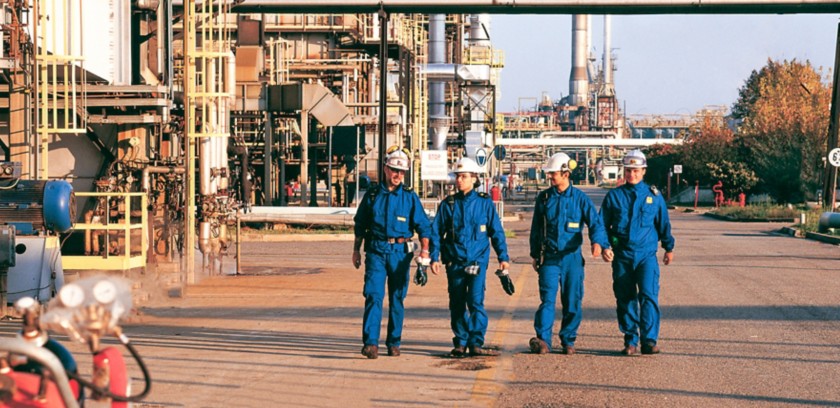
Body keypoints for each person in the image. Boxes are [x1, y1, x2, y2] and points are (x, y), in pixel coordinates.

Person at [352, 146, 432, 359]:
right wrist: (356, 251)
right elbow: (360, 224)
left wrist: (425, 252)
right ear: (386, 169)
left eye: (402, 172)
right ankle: (370, 343)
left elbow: (424, 226)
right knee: (373, 295)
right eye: (394, 170)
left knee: (397, 298)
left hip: (400, 254)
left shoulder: (410, 197)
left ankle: (394, 342)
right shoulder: (372, 196)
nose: (398, 175)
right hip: (376, 251)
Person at [529, 153, 610, 355]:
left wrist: (597, 242)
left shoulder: (580, 199)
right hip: (549, 257)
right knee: (547, 300)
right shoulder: (544, 198)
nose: (550, 177)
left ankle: (568, 339)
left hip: (572, 258)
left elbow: (595, 223)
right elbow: (536, 228)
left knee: (572, 300)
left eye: (553, 173)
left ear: (565, 173)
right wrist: (534, 254)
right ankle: (543, 341)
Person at [430, 157, 511, 357]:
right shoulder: (448, 205)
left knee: (475, 302)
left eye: (464, 177)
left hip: (477, 261)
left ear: (474, 179)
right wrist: (434, 257)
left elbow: (496, 232)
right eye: (457, 177)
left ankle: (476, 341)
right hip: (455, 262)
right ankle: (460, 341)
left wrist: (503, 257)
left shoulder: (484, 204)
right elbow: (435, 233)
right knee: (457, 303)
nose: (459, 181)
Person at [600, 149, 675, 356]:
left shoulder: (654, 196)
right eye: (628, 170)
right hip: (622, 256)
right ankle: (630, 340)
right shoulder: (614, 197)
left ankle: (649, 340)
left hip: (646, 256)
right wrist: (605, 246)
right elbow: (601, 226)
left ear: (643, 171)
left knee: (649, 296)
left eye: (636, 170)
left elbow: (663, 224)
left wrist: (669, 247)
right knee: (625, 298)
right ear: (624, 171)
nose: (631, 174)